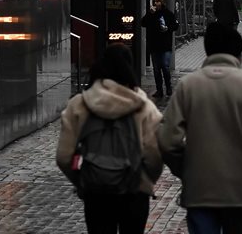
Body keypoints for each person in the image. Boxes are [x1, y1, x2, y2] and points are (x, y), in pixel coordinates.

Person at [158, 23, 242, 234]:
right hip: (241, 190)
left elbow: (168, 139)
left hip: (199, 189)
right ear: (239, 54)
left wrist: (185, 169)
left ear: (207, 50)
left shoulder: (188, 86)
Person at [56, 45, 164, 234]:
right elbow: (154, 156)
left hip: (96, 191)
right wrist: (146, 180)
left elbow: (64, 157)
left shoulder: (80, 104)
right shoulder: (144, 106)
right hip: (134, 190)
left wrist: (82, 181)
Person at [140, 0, 179, 98]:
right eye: (154, 1)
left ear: (162, 2)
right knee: (156, 69)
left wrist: (168, 28)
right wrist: (149, 14)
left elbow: (175, 25)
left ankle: (168, 87)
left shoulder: (168, 13)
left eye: (158, 1)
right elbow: (142, 23)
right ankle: (159, 90)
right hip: (154, 45)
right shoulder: (151, 14)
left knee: (165, 67)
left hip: (165, 45)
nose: (156, 3)